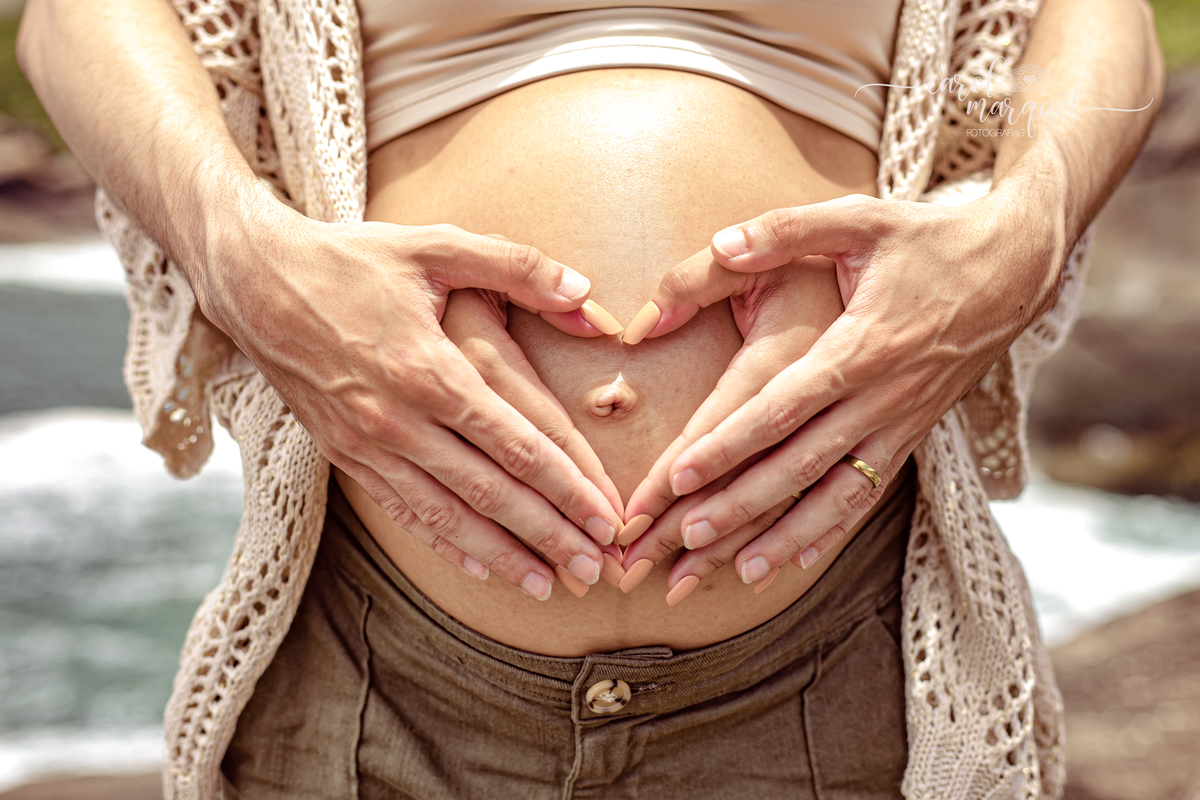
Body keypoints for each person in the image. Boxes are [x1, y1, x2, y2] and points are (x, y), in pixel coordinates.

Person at [17, 0, 1161, 798]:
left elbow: (1101, 19)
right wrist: (237, 250)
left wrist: (1027, 229)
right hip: (385, 663)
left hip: (836, 649)